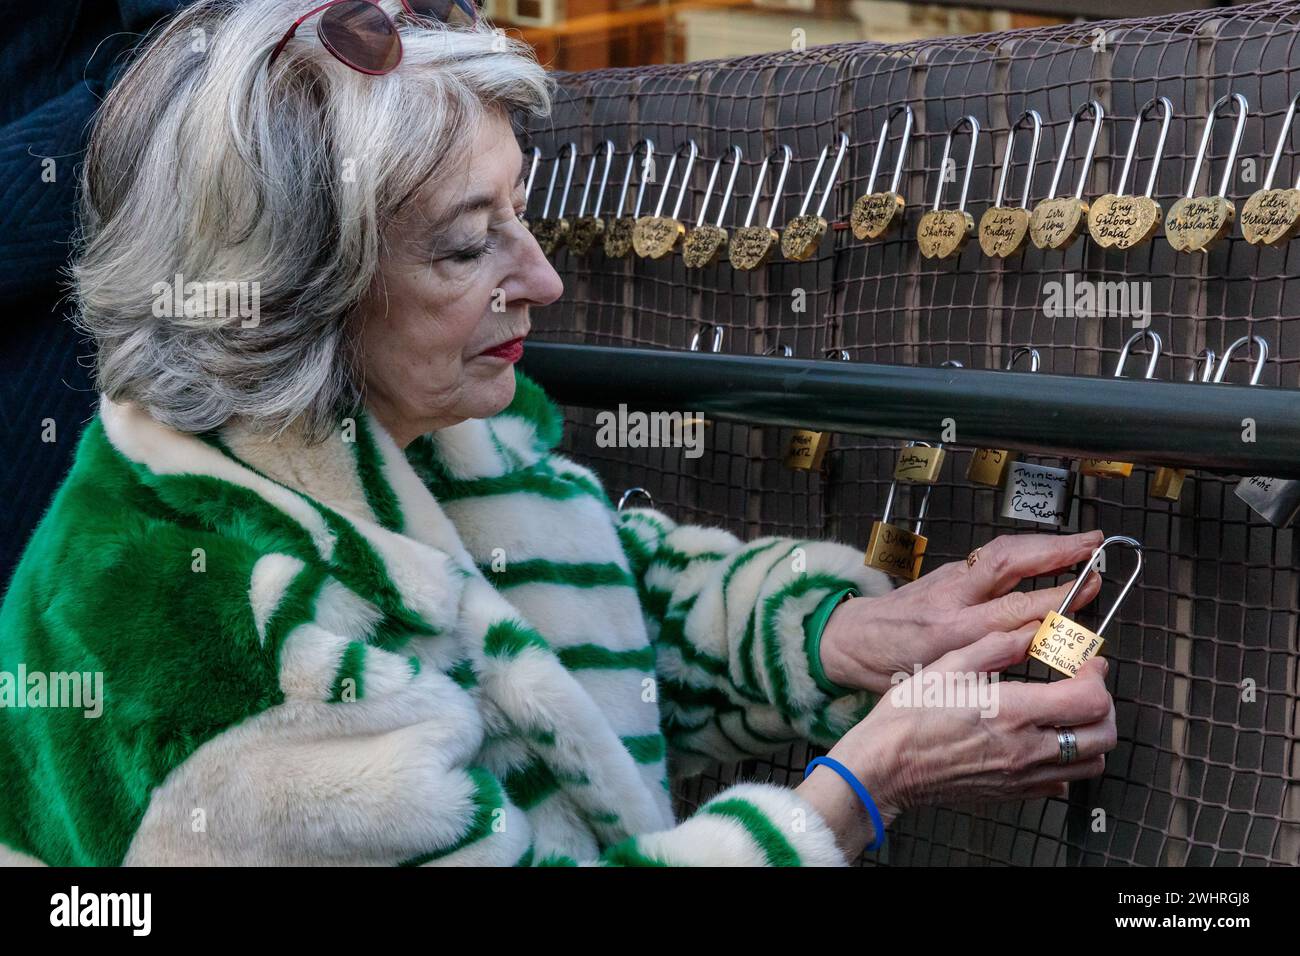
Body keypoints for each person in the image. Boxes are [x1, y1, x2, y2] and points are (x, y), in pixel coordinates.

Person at [0, 0, 1115, 866]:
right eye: (462, 247)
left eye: (517, 215)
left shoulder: (385, 423)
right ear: (299, 289)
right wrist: (864, 784)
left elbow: (575, 622)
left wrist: (841, 636)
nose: (536, 279)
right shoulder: (210, 654)